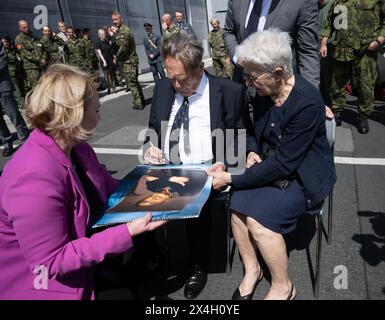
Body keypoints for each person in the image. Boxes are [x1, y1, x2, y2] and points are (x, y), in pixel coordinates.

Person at [0, 63, 165, 300]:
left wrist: (161, 181)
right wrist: (126, 232)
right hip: (44, 284)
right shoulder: (33, 175)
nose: (100, 115)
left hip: (81, 254)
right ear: (74, 113)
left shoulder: (78, 149)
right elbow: (51, 262)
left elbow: (114, 189)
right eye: (96, 109)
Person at [208, 29, 336, 300]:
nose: (248, 82)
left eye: (253, 76)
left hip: (304, 175)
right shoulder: (264, 92)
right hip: (275, 166)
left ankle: (283, 286)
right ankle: (252, 269)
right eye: (247, 75)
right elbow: (255, 133)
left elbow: (284, 164)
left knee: (258, 220)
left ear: (278, 73)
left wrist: (232, 178)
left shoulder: (306, 101)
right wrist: (252, 153)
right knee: (237, 204)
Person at [144, 33, 248, 299]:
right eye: (171, 77)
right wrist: (150, 148)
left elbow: (239, 138)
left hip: (206, 171)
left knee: (197, 206)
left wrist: (225, 162)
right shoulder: (163, 88)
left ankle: (197, 266)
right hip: (166, 167)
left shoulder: (230, 92)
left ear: (201, 68)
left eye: (183, 78)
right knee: (131, 202)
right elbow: (152, 131)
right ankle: (153, 258)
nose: (176, 85)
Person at [320, 0, 385, 133]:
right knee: (337, 82)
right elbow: (330, 21)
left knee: (365, 84)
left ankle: (363, 116)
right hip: (343, 47)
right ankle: (337, 111)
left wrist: (379, 40)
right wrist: (324, 42)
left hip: (367, 48)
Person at [223, 0, 320, 88]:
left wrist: (311, 97)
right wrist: (237, 57)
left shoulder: (302, 2)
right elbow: (228, 32)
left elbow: (308, 51)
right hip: (241, 85)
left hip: (277, 92)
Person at [0, 41, 30, 157]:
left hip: (2, 86)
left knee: (13, 114)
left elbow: (3, 60)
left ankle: (25, 138)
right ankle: (7, 142)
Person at [111, 11, 145, 110]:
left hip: (129, 61)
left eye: (116, 19)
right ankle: (141, 100)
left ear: (121, 19)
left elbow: (122, 47)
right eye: (113, 20)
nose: (114, 22)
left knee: (132, 83)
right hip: (130, 60)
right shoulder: (121, 30)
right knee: (135, 82)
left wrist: (116, 58)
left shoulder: (123, 31)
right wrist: (116, 33)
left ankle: (138, 103)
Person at [15, 20, 47, 93]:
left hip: (40, 66)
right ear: (20, 28)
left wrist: (44, 58)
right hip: (31, 69)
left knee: (44, 87)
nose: (27, 29)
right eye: (24, 28)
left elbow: (42, 48)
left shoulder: (33, 37)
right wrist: (39, 59)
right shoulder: (19, 39)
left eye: (27, 27)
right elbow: (25, 53)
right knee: (36, 89)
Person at [1, 36, 25, 107]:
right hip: (4, 73)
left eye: (5, 42)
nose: (4, 44)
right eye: (3, 42)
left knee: (16, 88)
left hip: (13, 72)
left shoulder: (13, 50)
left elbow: (14, 58)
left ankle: (20, 103)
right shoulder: (2, 51)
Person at [96, 29, 116, 94]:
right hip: (104, 60)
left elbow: (111, 50)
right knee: (106, 74)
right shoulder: (98, 43)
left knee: (112, 73)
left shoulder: (107, 41)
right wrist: (104, 61)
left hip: (110, 59)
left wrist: (114, 57)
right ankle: (109, 88)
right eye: (101, 34)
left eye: (104, 33)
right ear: (99, 35)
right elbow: (99, 53)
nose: (103, 35)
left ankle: (114, 87)